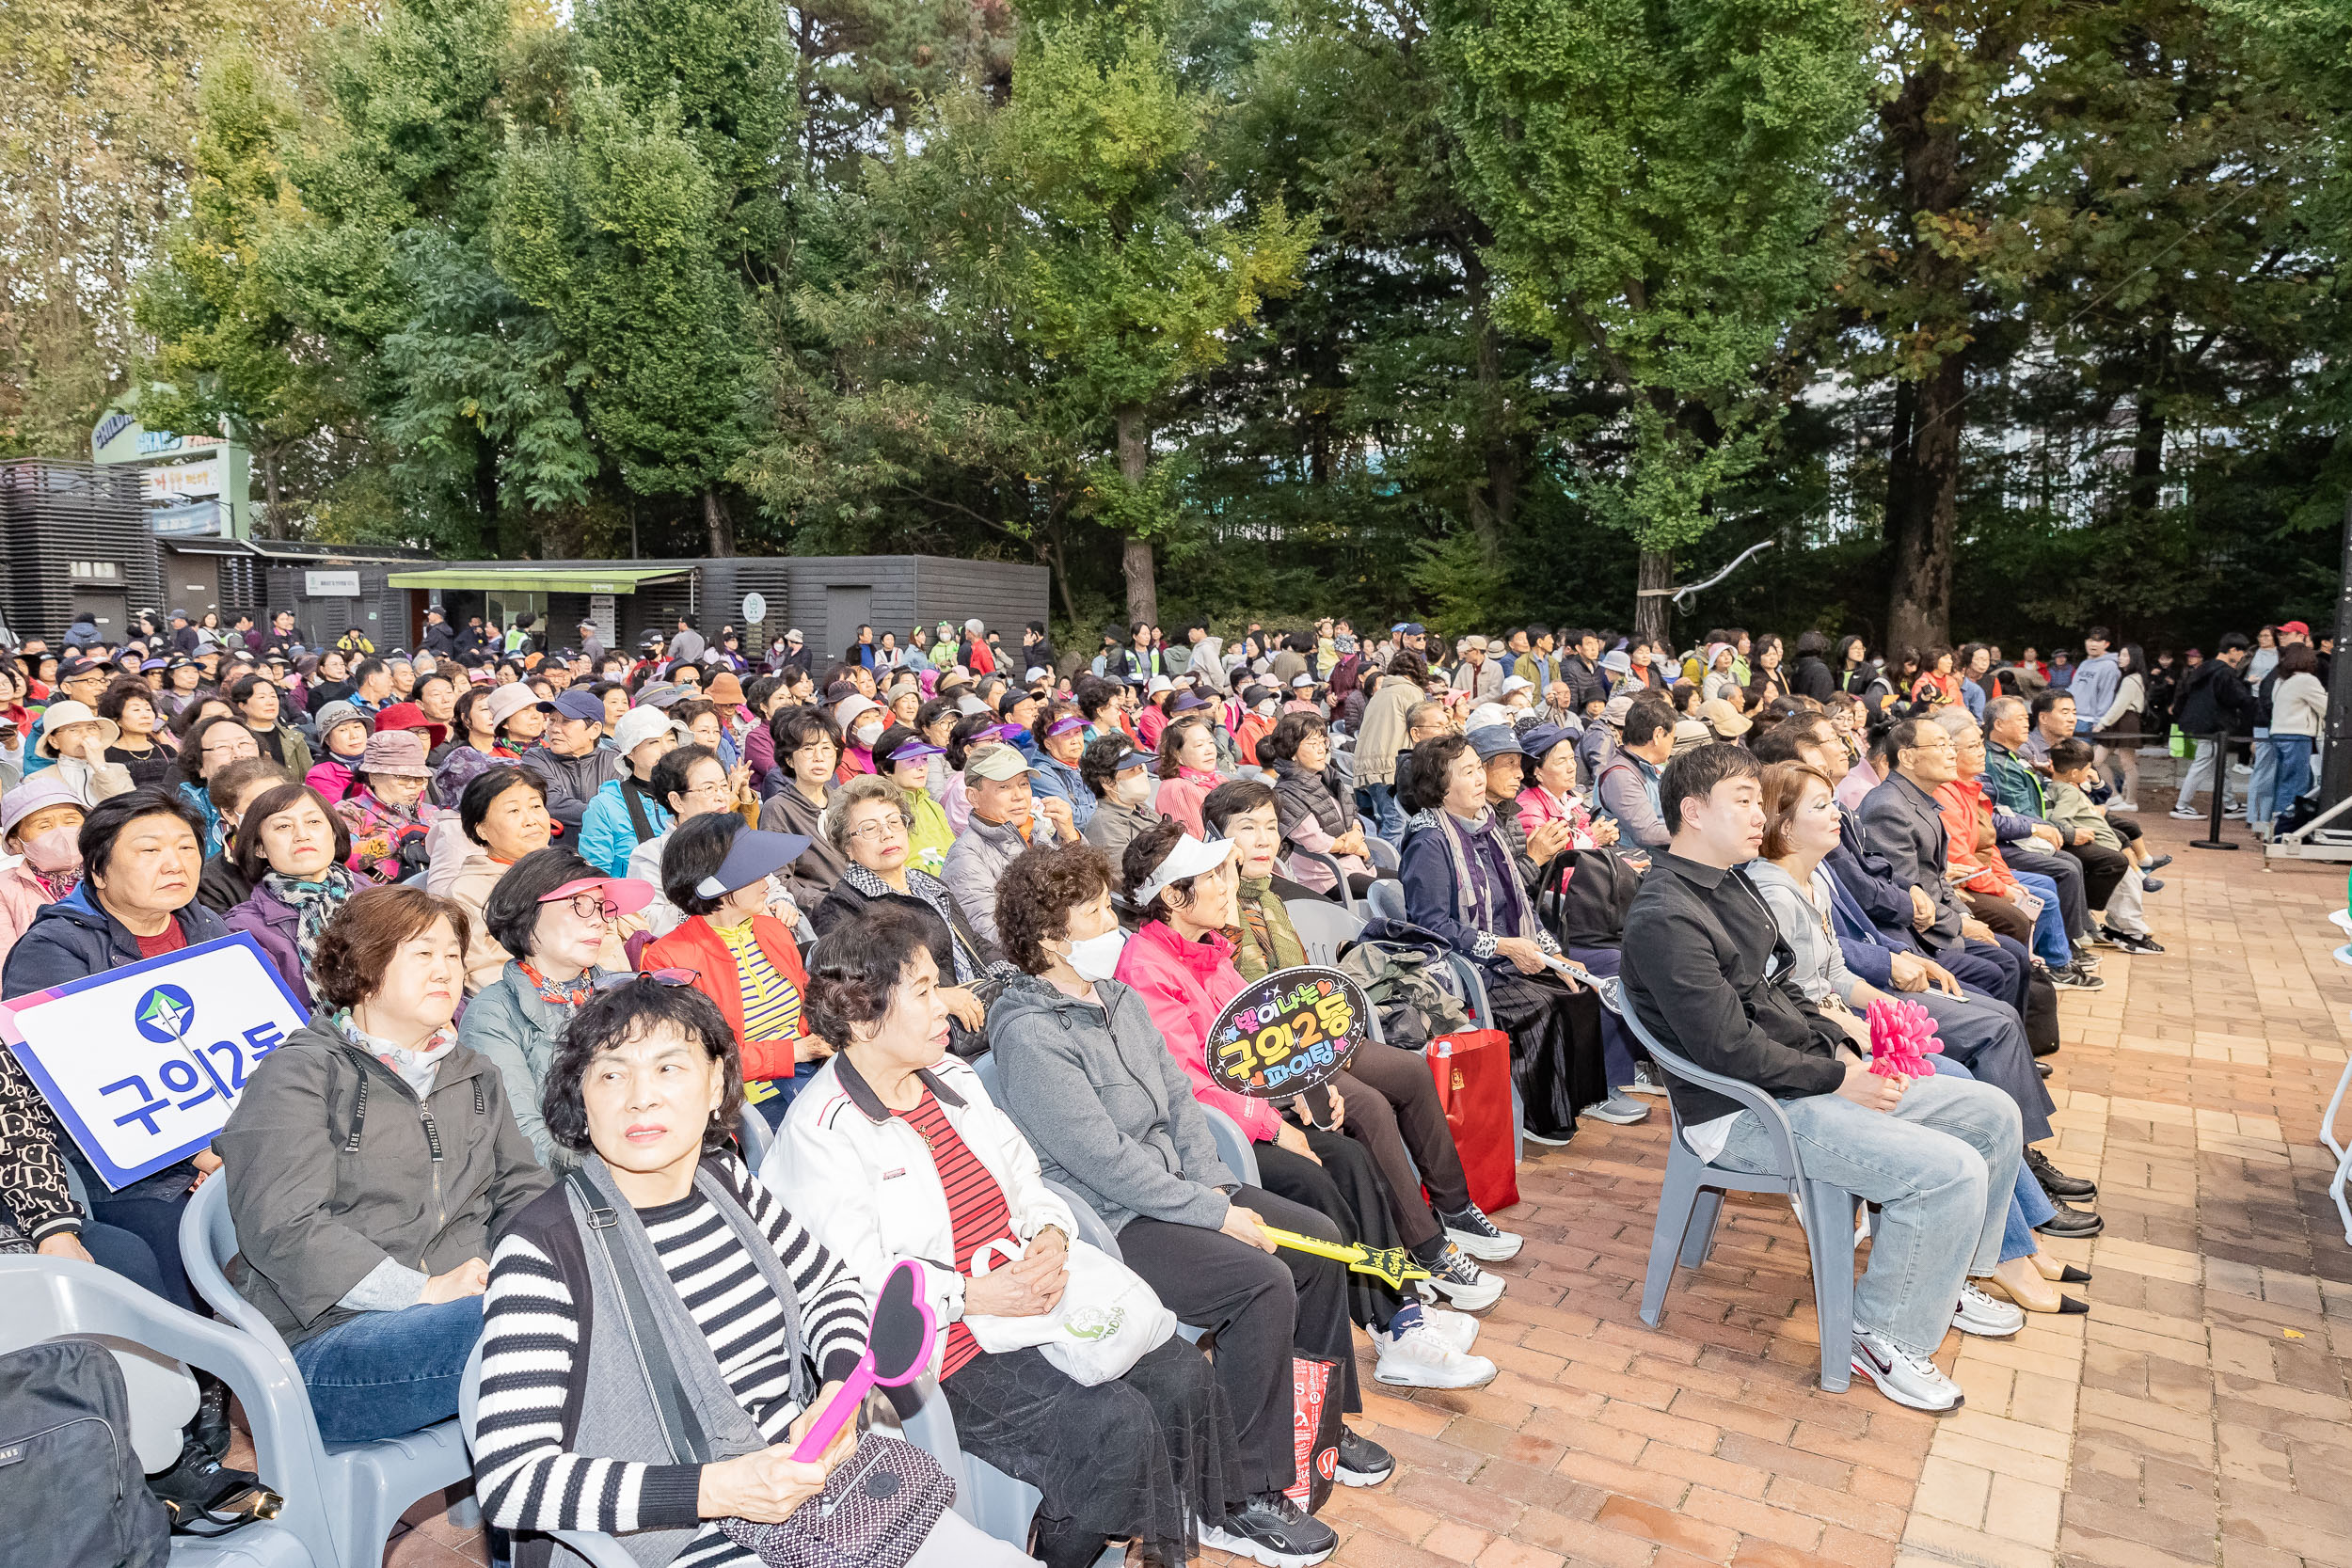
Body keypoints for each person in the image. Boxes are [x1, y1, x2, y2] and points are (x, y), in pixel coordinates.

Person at [470, 976, 1029, 1568]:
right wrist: (717, 1488)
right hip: (672, 1537)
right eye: (611, 1074)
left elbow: (828, 1286)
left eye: (670, 1068)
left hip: (821, 1502)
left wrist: (838, 1389)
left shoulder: (725, 1183)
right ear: (581, 1098)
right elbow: (511, 1482)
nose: (640, 1097)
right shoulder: (543, 1249)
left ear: (716, 1086)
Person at [771, 904, 1241, 1568]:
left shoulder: (954, 1081)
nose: (949, 1008)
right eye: (926, 992)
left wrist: (1049, 1232)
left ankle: (1138, 1540)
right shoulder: (824, 1130)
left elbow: (1025, 1176)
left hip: (1030, 1294)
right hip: (946, 1344)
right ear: (861, 1015)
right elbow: (849, 1278)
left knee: (1181, 1375)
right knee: (1115, 1428)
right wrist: (971, 1293)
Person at [988, 842, 1383, 1566]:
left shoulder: (1116, 997)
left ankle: (1313, 1429)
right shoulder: (1029, 1033)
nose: (1114, 923)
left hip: (1177, 1191)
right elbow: (1104, 1159)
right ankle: (1236, 1494)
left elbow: (1177, 1099)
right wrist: (1209, 1213)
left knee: (1316, 1242)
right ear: (1049, 938)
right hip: (1116, 1222)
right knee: (1261, 1280)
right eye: (1096, 913)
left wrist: (1216, 1187)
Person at [1620, 744, 2026, 1412]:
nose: (1761, 815)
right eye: (1743, 800)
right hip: (1745, 1113)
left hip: (1797, 1078)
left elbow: (1785, 992)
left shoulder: (1733, 881)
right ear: (1692, 812)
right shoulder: (1668, 914)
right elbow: (1728, 1050)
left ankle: (1940, 1274)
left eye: (1760, 799)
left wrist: (1843, 1043)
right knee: (1950, 1170)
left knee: (1990, 1115)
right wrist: (1838, 1078)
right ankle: (1884, 1331)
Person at [219, 881, 548, 1452]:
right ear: (366, 967)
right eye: (422, 953)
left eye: (452, 954)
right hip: (325, 1340)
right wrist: (423, 1291)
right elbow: (282, 1226)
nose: (444, 969)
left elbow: (522, 1190)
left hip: (461, 1307)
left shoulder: (472, 1073)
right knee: (529, 1328)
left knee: (600, 1283)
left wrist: (516, 1266)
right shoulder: (298, 1075)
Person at [1202, 779, 1524, 1269]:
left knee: (1412, 1074)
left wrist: (1333, 1032)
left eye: (1271, 826)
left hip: (1311, 1035)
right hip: (1269, 1062)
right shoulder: (1211, 907)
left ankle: (1454, 1209)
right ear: (1217, 838)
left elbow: (1300, 987)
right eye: (1248, 829)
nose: (1264, 839)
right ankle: (1424, 1247)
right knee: (1371, 1106)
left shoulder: (1271, 895)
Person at [4, 790, 232, 1314]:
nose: (175, 864)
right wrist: (195, 1152)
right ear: (100, 873)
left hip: (227, 1137)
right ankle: (207, 1381)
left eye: (187, 847)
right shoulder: (55, 949)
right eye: (149, 851)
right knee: (177, 1245)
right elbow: (72, 1086)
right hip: (119, 1162)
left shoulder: (209, 928)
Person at [1398, 731, 1619, 1142]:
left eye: (1477, 768)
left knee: (1578, 988)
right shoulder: (1429, 840)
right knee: (1542, 1003)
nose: (1480, 779)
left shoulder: (1487, 826)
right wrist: (1502, 947)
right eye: (1467, 771)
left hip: (1509, 952)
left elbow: (1521, 907)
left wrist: (1554, 953)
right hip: (1466, 964)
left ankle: (1576, 1100)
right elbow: (1430, 927)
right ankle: (1542, 1113)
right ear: (1440, 785)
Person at [460, 849, 644, 1164]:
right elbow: (524, 1137)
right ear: (527, 912)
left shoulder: (622, 992)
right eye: (580, 906)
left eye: (602, 909)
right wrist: (618, 1170)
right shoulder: (493, 1014)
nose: (599, 923)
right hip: (569, 1188)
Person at [808, 775, 1009, 1058]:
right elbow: (862, 989)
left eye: (893, 822)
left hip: (984, 1010)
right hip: (933, 1037)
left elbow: (970, 940)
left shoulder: (928, 882)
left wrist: (1011, 974)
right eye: (869, 828)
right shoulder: (843, 906)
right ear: (847, 847)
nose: (887, 834)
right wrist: (937, 997)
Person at [644, 816, 826, 1119]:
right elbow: (701, 1060)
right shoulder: (668, 959)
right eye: (754, 872)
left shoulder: (772, 930)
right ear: (716, 885)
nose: (768, 881)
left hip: (812, 1079)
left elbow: (810, 1004)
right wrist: (797, 1052)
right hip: (747, 1104)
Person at [223, 783, 359, 1011]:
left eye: (313, 822)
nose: (302, 835)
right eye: (283, 826)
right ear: (260, 848)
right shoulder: (245, 930)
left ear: (334, 833)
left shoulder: (378, 897)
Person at [427, 765, 557, 993]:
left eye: (536, 806)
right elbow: (484, 971)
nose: (531, 820)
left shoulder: (574, 869)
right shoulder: (467, 891)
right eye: (513, 811)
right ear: (482, 830)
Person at [944, 741, 1080, 948]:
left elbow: (1084, 890)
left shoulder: (1036, 833)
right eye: (1004, 787)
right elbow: (993, 938)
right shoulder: (965, 857)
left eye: (1024, 784)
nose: (1019, 796)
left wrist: (1070, 837)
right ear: (974, 797)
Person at [1257, 713, 1372, 899]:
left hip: (1354, 865)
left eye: (1323, 742)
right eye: (1312, 744)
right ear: (1292, 752)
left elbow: (1353, 815)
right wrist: (1355, 847)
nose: (1321, 750)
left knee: (1404, 882)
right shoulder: (1286, 794)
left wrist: (1357, 834)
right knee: (1395, 892)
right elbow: (1317, 842)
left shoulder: (1326, 777)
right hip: (1328, 878)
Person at [756, 705, 851, 909]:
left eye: (826, 748)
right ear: (790, 759)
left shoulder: (842, 800)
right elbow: (779, 879)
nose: (819, 757)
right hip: (823, 912)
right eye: (808, 748)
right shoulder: (779, 809)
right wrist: (827, 903)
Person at [577, 705, 677, 878]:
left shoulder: (691, 792)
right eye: (653, 742)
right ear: (630, 754)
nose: (666, 749)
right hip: (634, 900)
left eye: (671, 739)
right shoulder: (606, 805)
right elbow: (596, 874)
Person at [2171, 632, 2253, 819]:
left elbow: (2185, 693)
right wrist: (2248, 688)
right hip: (2214, 725)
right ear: (2233, 650)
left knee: (2219, 765)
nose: (2242, 658)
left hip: (2200, 722)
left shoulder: (2204, 668)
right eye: (2242, 653)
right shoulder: (2224, 672)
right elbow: (2235, 698)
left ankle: (2231, 804)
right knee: (2203, 763)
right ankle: (2181, 805)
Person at [0, 773, 84, 953]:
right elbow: (4, 960)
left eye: (70, 820)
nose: (61, 832)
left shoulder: (112, 870)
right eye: (44, 826)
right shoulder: (4, 888)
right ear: (16, 842)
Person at [871, 724, 956, 875]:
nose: (921, 767)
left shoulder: (933, 807)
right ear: (886, 769)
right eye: (911, 761)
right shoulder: (879, 812)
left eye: (924, 759)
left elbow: (954, 854)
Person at [1592, 698, 1676, 849]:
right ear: (1658, 734)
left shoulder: (1645, 768)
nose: (1672, 745)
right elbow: (1647, 834)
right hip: (1638, 866)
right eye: (1673, 738)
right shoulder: (1620, 776)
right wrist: (1697, 833)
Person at [2267, 641, 2327, 830]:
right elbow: (2326, 707)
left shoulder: (2281, 680)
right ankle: (2287, 825)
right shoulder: (2306, 680)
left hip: (2279, 733)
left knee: (2284, 780)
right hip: (2297, 734)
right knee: (2297, 783)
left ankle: (2277, 820)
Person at [34, 698, 135, 809]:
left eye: (91, 728)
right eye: (73, 730)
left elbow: (126, 807)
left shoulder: (118, 770)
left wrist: (100, 766)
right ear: (54, 741)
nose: (85, 735)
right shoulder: (40, 779)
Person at [230, 673, 314, 779]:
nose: (270, 702)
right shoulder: (233, 741)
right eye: (262, 697)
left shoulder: (293, 738)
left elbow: (308, 778)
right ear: (242, 705)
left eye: (273, 696)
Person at [96, 676, 172, 791]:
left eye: (148, 709)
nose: (145, 715)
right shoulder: (106, 754)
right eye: (136, 710)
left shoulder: (167, 751)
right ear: (118, 720)